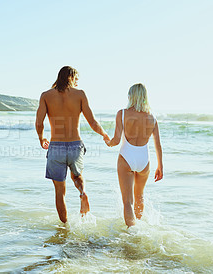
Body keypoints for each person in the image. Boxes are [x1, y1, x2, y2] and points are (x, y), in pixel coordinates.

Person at [35, 66, 110, 223]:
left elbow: (39, 123)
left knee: (59, 191)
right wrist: (104, 134)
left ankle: (65, 227)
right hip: (75, 146)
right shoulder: (80, 94)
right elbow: (93, 122)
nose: (77, 82)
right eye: (76, 79)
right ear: (71, 77)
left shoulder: (46, 96)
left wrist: (41, 138)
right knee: (77, 176)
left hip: (56, 147)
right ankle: (82, 192)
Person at [105, 83, 163, 227]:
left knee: (127, 201)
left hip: (127, 157)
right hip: (144, 160)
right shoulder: (152, 118)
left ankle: (132, 233)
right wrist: (160, 166)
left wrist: (108, 142)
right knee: (139, 197)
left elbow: (116, 140)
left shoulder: (122, 113)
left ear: (131, 96)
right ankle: (138, 230)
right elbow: (158, 145)